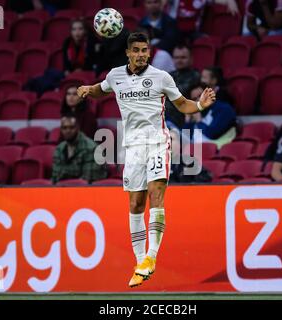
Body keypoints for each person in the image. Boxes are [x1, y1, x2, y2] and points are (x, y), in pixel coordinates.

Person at [77, 32, 216, 288]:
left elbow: (182, 104)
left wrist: (200, 105)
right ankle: (141, 262)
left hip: (157, 142)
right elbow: (101, 89)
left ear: (149, 52)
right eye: (137, 50)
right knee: (135, 203)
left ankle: (151, 256)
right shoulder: (116, 75)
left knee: (156, 193)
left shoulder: (161, 77)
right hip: (132, 147)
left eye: (145, 50)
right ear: (128, 53)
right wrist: (88, 89)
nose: (141, 54)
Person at [51, 114, 107, 184]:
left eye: (71, 127)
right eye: (64, 128)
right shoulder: (59, 149)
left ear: (78, 128)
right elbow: (55, 177)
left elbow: (89, 179)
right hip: (63, 190)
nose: (68, 131)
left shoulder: (92, 148)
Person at [166, 45, 201, 129]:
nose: (179, 60)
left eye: (183, 57)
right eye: (176, 57)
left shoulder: (196, 76)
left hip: (182, 119)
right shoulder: (169, 75)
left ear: (191, 59)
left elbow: (178, 92)